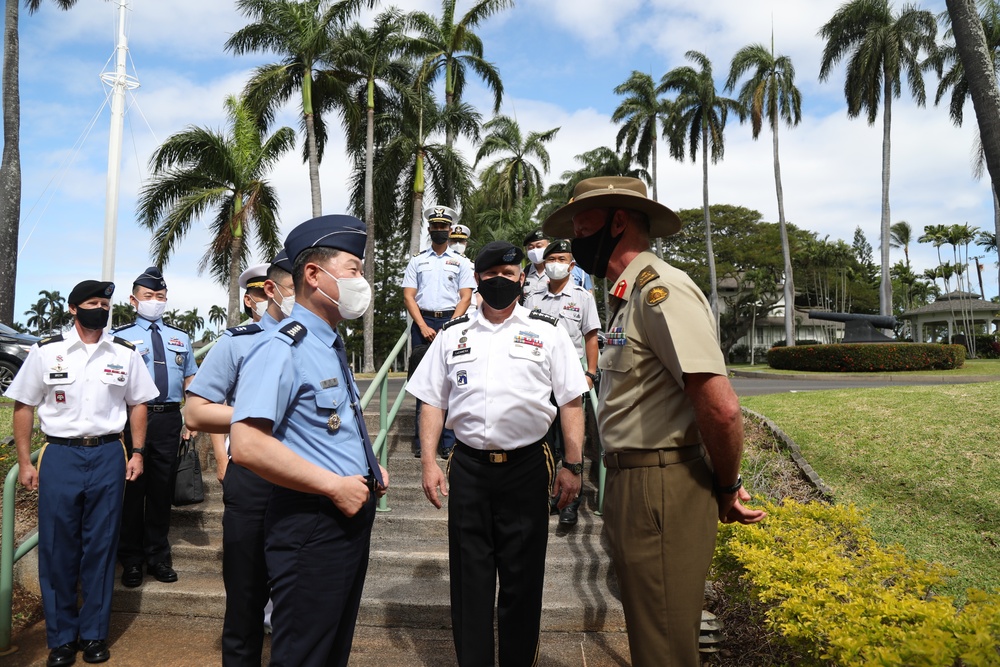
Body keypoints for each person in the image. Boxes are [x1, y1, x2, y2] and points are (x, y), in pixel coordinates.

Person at [541, 176, 766, 667]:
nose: (574, 244)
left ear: (618, 222)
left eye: (582, 227)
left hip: (660, 484)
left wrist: (729, 485)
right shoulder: (628, 297)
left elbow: (720, 406)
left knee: (664, 646)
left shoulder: (659, 290)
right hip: (634, 482)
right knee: (652, 635)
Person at [407, 241, 588, 667]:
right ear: (478, 280)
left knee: (522, 582)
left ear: (522, 279)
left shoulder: (548, 331)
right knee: (470, 581)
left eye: (509, 276)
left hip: (528, 466)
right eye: (492, 276)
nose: (501, 282)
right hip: (468, 466)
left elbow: (571, 402)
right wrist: (430, 461)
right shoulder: (454, 335)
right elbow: (433, 400)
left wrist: (573, 465)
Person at [229, 214, 389, 667]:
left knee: (330, 649)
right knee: (304, 653)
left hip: (346, 516)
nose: (362, 280)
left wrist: (367, 467)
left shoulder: (327, 344)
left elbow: (325, 426)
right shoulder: (283, 347)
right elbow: (247, 445)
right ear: (315, 276)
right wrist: (335, 485)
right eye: (354, 269)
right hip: (311, 521)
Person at [6, 280, 159, 667]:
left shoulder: (124, 354)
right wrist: (25, 461)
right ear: (73, 308)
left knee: (101, 547)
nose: (101, 308)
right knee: (57, 548)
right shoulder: (46, 352)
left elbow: (139, 403)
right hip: (60, 455)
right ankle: (60, 640)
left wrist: (137, 451)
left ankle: (93, 635)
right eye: (92, 302)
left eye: (105, 302)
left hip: (108, 454)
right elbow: (23, 405)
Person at [183, 253, 294, 667]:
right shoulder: (237, 342)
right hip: (254, 479)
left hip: (306, 479)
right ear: (263, 294)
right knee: (245, 598)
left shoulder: (318, 341)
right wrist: (258, 412)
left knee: (300, 603)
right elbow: (197, 412)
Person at [113, 267, 199, 588]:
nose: (155, 302)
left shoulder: (181, 337)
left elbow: (190, 380)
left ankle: (158, 557)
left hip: (168, 419)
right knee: (133, 490)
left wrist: (192, 419)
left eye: (160, 297)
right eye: (148, 296)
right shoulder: (118, 338)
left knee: (162, 490)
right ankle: (132, 560)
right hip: (132, 417)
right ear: (133, 300)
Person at [524, 238, 600, 526]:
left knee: (570, 440)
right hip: (539, 378)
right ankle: (546, 495)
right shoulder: (532, 297)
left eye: (561, 259)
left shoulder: (583, 297)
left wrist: (590, 373)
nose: (555, 264)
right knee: (542, 439)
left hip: (571, 378)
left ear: (571, 264)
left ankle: (570, 502)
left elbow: (591, 337)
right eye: (551, 258)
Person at [402, 205, 475, 458]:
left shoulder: (461, 262)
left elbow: (465, 297)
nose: (439, 230)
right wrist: (422, 325)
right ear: (430, 229)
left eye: (444, 227)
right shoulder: (417, 261)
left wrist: (449, 326)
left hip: (452, 322)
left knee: (453, 381)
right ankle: (424, 443)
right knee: (423, 383)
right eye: (435, 226)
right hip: (423, 324)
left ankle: (449, 442)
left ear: (450, 229)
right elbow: (409, 296)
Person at [522, 228, 593, 299]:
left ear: (548, 246)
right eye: (531, 247)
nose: (535, 250)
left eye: (539, 246)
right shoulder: (523, 273)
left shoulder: (559, 270)